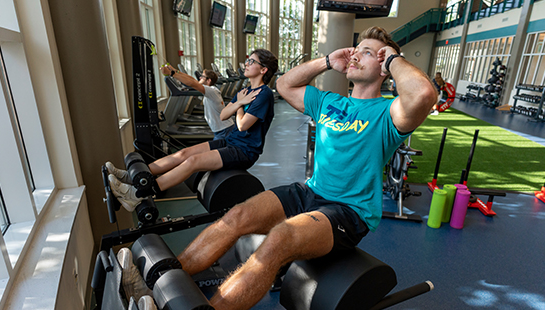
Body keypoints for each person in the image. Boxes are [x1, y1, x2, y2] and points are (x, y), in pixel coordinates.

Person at [126, 26, 434, 310]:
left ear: (383, 65)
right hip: (310, 192)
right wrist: (328, 60)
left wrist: (392, 58)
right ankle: (157, 283)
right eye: (357, 48)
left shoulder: (389, 113)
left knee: (279, 239)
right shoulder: (328, 101)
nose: (356, 53)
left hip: (348, 211)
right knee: (236, 216)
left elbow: (423, 94)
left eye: (368, 52)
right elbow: (285, 84)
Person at [107, 49, 278, 211]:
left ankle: (138, 194)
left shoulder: (263, 94)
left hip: (244, 150)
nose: (246, 64)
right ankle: (132, 177)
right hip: (230, 140)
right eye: (248, 60)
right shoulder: (244, 91)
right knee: (183, 154)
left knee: (192, 162)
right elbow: (224, 115)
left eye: (251, 61)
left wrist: (239, 104)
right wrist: (240, 102)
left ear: (263, 69)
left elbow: (242, 125)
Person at [160, 65, 235, 140]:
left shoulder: (212, 91)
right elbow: (193, 80)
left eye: (202, 77)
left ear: (209, 81)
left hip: (224, 130)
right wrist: (175, 71)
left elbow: (192, 83)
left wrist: (171, 73)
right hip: (222, 129)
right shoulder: (211, 90)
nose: (200, 77)